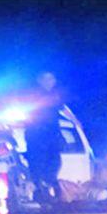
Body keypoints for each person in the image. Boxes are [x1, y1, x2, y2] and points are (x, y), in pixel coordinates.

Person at [23, 71, 65, 202]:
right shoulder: (33, 95)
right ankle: (40, 189)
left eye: (52, 79)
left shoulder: (55, 96)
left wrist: (76, 121)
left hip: (51, 135)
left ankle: (47, 186)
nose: (51, 81)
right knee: (38, 163)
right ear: (39, 80)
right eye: (47, 79)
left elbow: (63, 109)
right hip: (37, 136)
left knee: (54, 162)